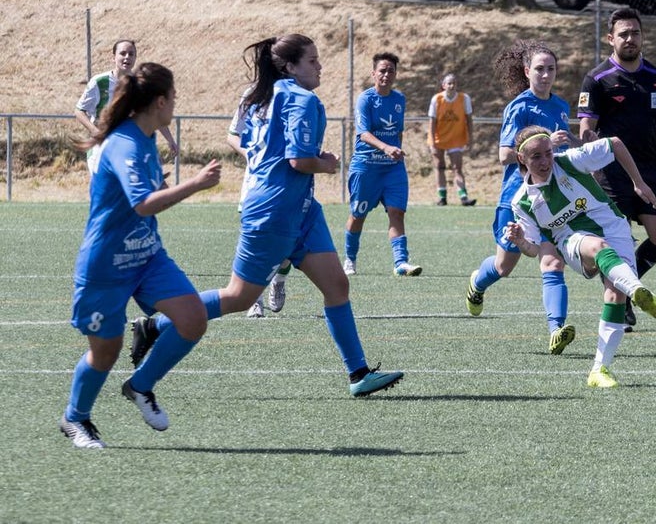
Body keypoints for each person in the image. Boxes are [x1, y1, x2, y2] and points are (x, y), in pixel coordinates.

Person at [130, 34, 403, 398]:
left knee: (337, 286)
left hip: (300, 209)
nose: (320, 66)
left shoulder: (265, 95)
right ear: (289, 67)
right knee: (240, 296)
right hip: (273, 211)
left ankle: (358, 374)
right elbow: (299, 161)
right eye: (312, 61)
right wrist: (327, 164)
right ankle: (157, 325)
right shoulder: (302, 99)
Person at [60, 63, 222, 449]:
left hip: (147, 257)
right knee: (105, 352)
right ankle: (75, 418)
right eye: (174, 99)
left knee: (192, 318)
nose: (175, 106)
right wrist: (194, 185)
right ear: (160, 101)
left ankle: (140, 385)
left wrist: (165, 184)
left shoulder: (147, 138)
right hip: (107, 263)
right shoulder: (124, 142)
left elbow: (149, 197)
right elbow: (144, 204)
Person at [505, 125, 656, 388]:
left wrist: (639, 183)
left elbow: (614, 143)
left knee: (616, 294)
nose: (545, 161)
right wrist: (521, 240)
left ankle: (599, 370)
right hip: (571, 241)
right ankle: (638, 289)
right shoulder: (522, 201)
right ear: (521, 159)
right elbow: (534, 250)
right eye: (536, 157)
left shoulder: (570, 161)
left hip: (615, 227)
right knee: (598, 247)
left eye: (548, 153)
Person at [465, 41, 577, 355]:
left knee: (552, 262)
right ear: (527, 72)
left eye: (551, 69)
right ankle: (477, 283)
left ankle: (556, 330)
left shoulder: (561, 107)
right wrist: (543, 143)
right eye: (539, 69)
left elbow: (560, 156)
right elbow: (504, 155)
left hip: (550, 199)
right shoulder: (519, 106)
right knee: (503, 267)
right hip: (518, 198)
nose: (545, 74)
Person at [578, 7, 656, 330]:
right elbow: (586, 123)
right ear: (610, 39)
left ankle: (627, 281)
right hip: (610, 173)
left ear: (642, 36)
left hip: (649, 169)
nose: (629, 39)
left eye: (635, 33)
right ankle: (620, 300)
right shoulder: (597, 79)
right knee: (618, 239)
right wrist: (586, 141)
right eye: (623, 34)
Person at [342, 52, 422, 277]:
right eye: (382, 70)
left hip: (392, 169)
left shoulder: (399, 99)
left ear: (396, 74)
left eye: (391, 71)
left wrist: (395, 152)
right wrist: (386, 148)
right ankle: (350, 258)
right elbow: (363, 134)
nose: (386, 75)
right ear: (373, 73)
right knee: (358, 215)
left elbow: (398, 132)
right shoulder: (365, 99)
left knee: (397, 213)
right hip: (366, 167)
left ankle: (401, 262)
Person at [225, 92, 290, 318]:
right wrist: (252, 155)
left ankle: (279, 280)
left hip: (289, 183)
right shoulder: (253, 93)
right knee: (255, 241)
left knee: (287, 245)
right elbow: (233, 135)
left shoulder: (297, 90)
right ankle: (254, 299)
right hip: (256, 184)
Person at [75, 39, 178, 174]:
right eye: (122, 53)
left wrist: (170, 140)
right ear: (114, 57)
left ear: (135, 58)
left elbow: (152, 113)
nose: (127, 57)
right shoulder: (99, 82)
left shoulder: (139, 84)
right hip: (101, 147)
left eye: (131, 54)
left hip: (127, 145)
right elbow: (79, 111)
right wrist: (97, 133)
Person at [427, 72, 478, 206]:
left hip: (456, 138)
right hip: (439, 138)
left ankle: (463, 197)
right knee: (440, 167)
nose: (452, 86)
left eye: (454, 83)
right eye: (449, 83)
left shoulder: (463, 98)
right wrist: (432, 142)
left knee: (457, 168)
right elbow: (432, 121)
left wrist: (470, 138)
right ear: (443, 85)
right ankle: (442, 197)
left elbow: (469, 119)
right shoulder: (437, 99)